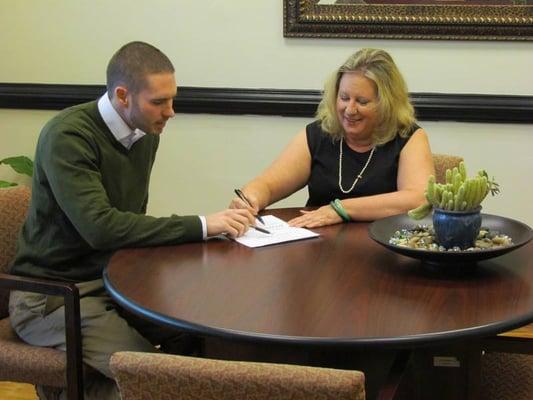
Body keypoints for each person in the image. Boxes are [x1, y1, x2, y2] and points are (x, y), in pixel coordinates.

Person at [8, 41, 255, 400]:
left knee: (204, 339)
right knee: (150, 376)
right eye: (159, 102)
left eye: (172, 99)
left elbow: (129, 223)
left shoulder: (144, 134)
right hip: (53, 295)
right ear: (123, 95)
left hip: (113, 282)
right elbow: (101, 228)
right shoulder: (69, 135)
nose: (171, 112)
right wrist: (203, 225)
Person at [230, 48, 434, 227]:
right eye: (344, 98)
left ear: (387, 104)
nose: (350, 110)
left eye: (362, 101)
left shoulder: (409, 137)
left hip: (382, 250)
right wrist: (250, 199)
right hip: (317, 250)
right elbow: (268, 184)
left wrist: (340, 209)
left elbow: (418, 199)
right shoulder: (319, 134)